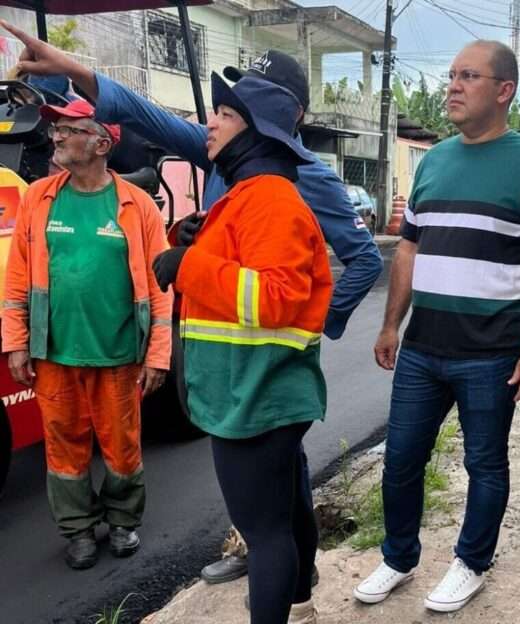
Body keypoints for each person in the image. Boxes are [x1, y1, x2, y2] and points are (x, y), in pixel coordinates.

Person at [0, 20, 383, 594]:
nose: (212, 122)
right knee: (284, 481)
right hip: (223, 362)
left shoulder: (305, 182)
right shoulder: (227, 161)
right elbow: (150, 118)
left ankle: (271, 558)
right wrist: (75, 71)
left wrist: (314, 325)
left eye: (230, 111)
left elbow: (364, 261)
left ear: (282, 117)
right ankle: (284, 568)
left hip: (262, 367)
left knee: (272, 486)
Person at [353, 40, 520, 613]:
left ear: (504, 91)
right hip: (424, 347)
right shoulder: (436, 160)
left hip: (493, 352)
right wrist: (390, 324)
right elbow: (408, 250)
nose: (453, 85)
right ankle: (398, 557)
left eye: (468, 76)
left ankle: (472, 561)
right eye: (451, 74)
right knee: (400, 458)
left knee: (485, 463)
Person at [151, 65, 331, 624]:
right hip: (257, 392)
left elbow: (272, 297)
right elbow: (249, 269)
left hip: (257, 398)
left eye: (226, 115)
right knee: (286, 512)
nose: (211, 123)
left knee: (264, 533)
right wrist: (200, 239)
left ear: (257, 132)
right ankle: (299, 601)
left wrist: (191, 263)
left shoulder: (271, 200)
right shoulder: (253, 197)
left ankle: (284, 603)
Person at [1, 99, 172, 569]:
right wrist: (16, 341)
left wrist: (158, 353)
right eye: (56, 128)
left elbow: (160, 288)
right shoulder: (39, 197)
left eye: (68, 129)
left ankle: (122, 520)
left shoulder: (137, 208)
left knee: (121, 445)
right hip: (55, 353)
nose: (55, 135)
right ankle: (77, 528)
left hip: (117, 353)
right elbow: (17, 279)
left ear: (101, 143)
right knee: (63, 445)